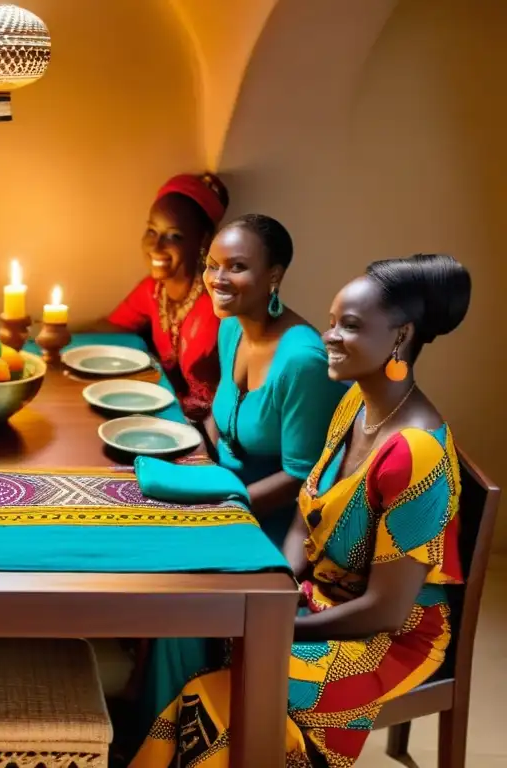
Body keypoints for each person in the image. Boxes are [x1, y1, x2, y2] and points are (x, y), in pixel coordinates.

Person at [130, 253, 470, 768]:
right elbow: (302, 519)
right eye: (332, 321)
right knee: (193, 622)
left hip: (386, 639)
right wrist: (280, 591)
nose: (328, 336)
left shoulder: (415, 453)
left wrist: (273, 624)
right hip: (319, 599)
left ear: (400, 337)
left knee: (223, 688)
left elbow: (387, 610)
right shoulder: (356, 402)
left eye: (350, 326)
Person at [202, 213, 347, 546]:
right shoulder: (230, 327)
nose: (217, 279)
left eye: (236, 267)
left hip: (273, 518)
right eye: (212, 265)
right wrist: (199, 462)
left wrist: (225, 511)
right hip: (222, 489)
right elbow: (219, 414)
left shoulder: (302, 361)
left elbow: (300, 477)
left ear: (274, 276)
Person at [102, 173, 229, 422]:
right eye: (152, 230)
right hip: (168, 419)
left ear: (203, 240)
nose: (157, 246)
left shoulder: (214, 308)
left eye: (174, 236)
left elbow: (212, 407)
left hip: (210, 440)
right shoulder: (154, 290)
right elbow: (111, 327)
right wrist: (55, 328)